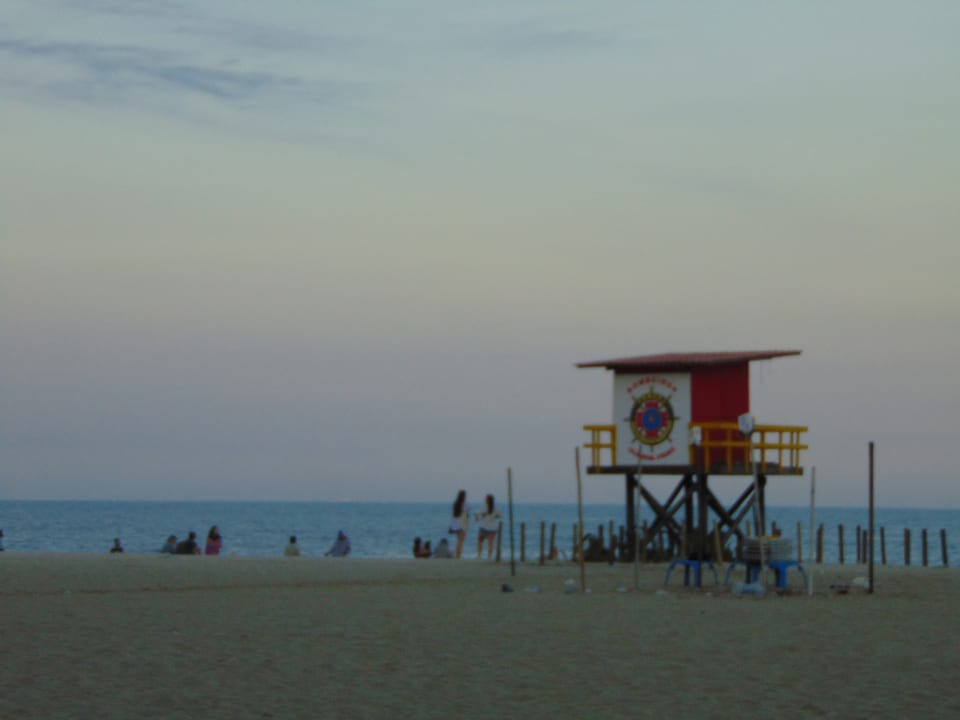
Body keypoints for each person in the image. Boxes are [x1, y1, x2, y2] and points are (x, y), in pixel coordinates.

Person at [475, 494, 502, 559]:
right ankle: (489, 556)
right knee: (490, 543)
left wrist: (478, 519)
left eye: (486, 499)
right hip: (492, 527)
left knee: (480, 541)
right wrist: (494, 516)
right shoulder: (496, 508)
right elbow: (499, 516)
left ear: (487, 500)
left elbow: (477, 514)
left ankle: (479, 555)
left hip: (483, 526)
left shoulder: (483, 507)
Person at [449, 490, 469, 559]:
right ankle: (458, 555)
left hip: (455, 525)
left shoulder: (455, 504)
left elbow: (452, 516)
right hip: (462, 524)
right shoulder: (464, 505)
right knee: (460, 541)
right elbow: (466, 516)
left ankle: (457, 555)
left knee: (458, 541)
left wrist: (451, 526)